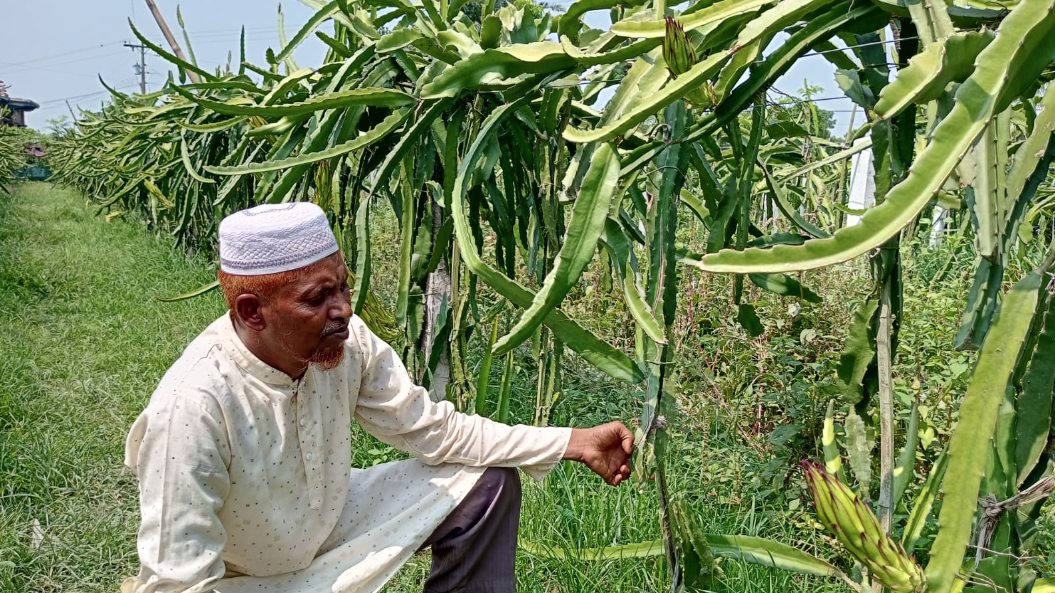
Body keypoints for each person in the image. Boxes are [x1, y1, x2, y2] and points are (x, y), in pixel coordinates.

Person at [121, 202, 634, 593]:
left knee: (486, 483)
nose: (343, 309)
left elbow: (435, 429)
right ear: (253, 311)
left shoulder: (349, 343)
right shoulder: (193, 408)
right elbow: (179, 579)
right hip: (246, 577)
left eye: (342, 287)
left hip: (328, 521)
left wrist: (572, 441)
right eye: (318, 298)